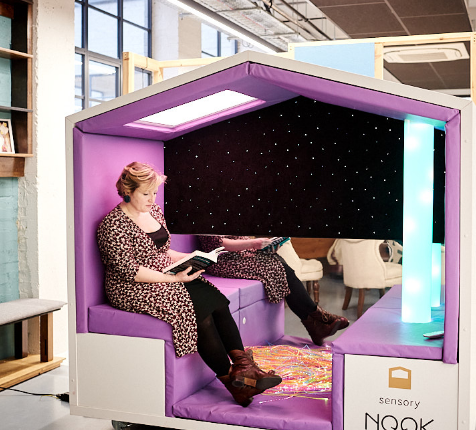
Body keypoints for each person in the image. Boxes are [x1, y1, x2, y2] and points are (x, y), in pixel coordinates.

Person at [96, 162, 281, 407]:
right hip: (132, 286)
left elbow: (163, 251)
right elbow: (131, 271)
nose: (152, 199)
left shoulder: (154, 212)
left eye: (155, 192)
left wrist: (190, 257)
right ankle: (237, 383)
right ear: (128, 191)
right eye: (146, 193)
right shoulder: (112, 225)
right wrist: (173, 279)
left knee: (216, 301)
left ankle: (246, 371)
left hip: (165, 273)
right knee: (196, 312)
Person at [198, 235, 350, 345]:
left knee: (277, 261)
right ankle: (317, 319)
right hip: (223, 260)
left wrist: (262, 245)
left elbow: (241, 238)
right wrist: (252, 244)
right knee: (276, 266)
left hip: (241, 254)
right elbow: (219, 244)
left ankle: (315, 322)